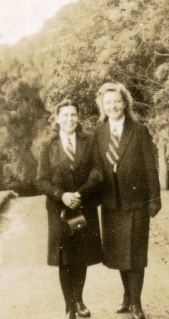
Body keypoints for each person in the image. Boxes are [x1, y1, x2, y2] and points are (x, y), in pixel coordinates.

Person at [92, 83, 161, 319]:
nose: (113, 106)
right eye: (108, 102)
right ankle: (127, 297)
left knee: (136, 254)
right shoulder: (98, 133)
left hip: (136, 202)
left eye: (117, 101)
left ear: (125, 103)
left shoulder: (138, 130)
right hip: (111, 204)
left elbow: (151, 166)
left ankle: (137, 304)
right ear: (102, 106)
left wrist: (155, 198)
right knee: (119, 253)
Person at [37, 99, 104, 319]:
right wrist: (62, 196)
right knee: (65, 259)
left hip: (84, 206)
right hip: (59, 210)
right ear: (57, 119)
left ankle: (79, 300)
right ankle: (69, 307)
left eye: (73, 115)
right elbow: (42, 181)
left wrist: (79, 194)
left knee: (81, 257)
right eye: (64, 115)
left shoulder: (90, 140)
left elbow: (97, 172)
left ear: (78, 117)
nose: (69, 119)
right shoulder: (48, 145)